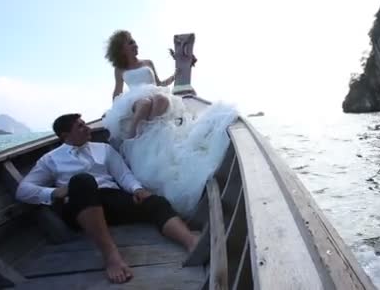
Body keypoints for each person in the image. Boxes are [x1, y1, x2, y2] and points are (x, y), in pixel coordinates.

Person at [15, 113, 198, 284]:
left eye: (85, 124)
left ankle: (190, 242)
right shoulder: (50, 159)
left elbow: (123, 175)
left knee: (155, 202)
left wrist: (137, 189)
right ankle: (111, 256)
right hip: (80, 209)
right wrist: (53, 193)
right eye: (80, 127)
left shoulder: (104, 149)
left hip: (112, 200)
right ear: (65, 135)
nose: (87, 128)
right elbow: (23, 190)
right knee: (82, 180)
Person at [101, 30, 239, 218]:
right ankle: (132, 134)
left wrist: (174, 76)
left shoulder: (148, 63)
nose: (135, 44)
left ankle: (149, 128)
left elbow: (158, 82)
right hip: (134, 100)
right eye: (130, 42)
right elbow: (117, 92)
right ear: (121, 48)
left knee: (159, 99)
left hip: (154, 94)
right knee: (145, 102)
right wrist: (114, 110)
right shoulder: (120, 70)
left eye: (134, 41)